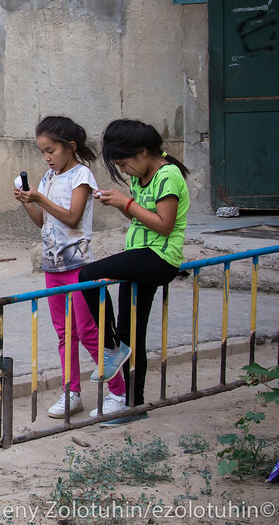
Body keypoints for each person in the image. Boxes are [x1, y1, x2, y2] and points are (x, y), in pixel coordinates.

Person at [14, 116, 127, 419]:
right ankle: (71, 392)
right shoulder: (47, 179)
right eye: (42, 152)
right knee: (65, 334)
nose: (46, 157)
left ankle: (118, 392)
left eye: (51, 150)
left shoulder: (82, 176)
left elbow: (73, 217)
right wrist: (27, 201)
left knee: (89, 331)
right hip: (52, 268)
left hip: (79, 268)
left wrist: (39, 197)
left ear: (70, 147)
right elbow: (42, 221)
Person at [79, 119, 189, 421]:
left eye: (124, 164)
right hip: (141, 257)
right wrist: (120, 203)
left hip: (158, 258)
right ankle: (134, 405)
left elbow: (164, 226)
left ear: (142, 152)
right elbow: (144, 217)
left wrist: (126, 204)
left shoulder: (168, 175)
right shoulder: (147, 175)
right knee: (132, 336)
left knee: (86, 276)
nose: (124, 170)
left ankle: (110, 347)